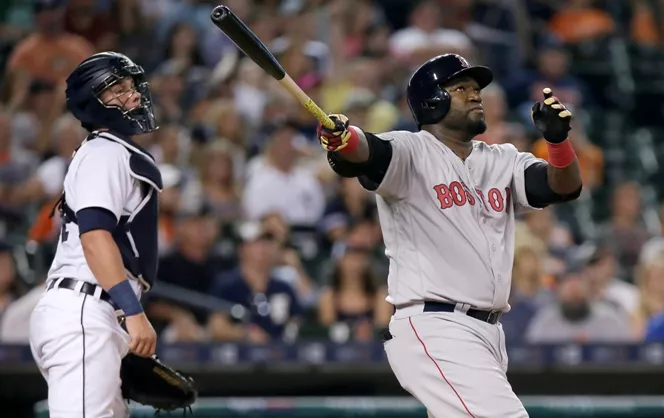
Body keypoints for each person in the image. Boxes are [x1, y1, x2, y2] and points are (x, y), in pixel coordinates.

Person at [317, 53, 583, 417]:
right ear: (432, 100)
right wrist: (343, 138)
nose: (476, 96)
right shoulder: (411, 151)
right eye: (461, 88)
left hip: (487, 332)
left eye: (477, 89)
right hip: (436, 325)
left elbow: (563, 187)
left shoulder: (501, 159)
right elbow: (367, 152)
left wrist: (557, 142)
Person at [29, 52, 162, 417]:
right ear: (93, 102)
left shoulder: (106, 152)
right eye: (117, 89)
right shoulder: (104, 152)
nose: (133, 95)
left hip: (93, 310)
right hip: (86, 309)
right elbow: (95, 237)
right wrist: (133, 313)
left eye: (131, 85)